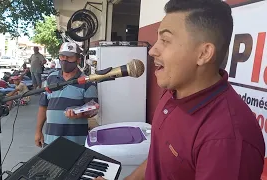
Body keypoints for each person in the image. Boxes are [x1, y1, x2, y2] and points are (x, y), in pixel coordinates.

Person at [94, 0, 265, 180]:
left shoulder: (227, 139)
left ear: (204, 54)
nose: (152, 51)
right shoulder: (173, 91)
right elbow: (158, 159)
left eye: (166, 40)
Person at [34, 42, 98, 147]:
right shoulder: (51, 78)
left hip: (76, 142)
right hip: (51, 141)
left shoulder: (87, 82)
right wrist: (38, 131)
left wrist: (80, 114)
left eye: (69, 57)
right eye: (62, 56)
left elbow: (93, 109)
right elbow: (43, 106)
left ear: (78, 59)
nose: (64, 60)